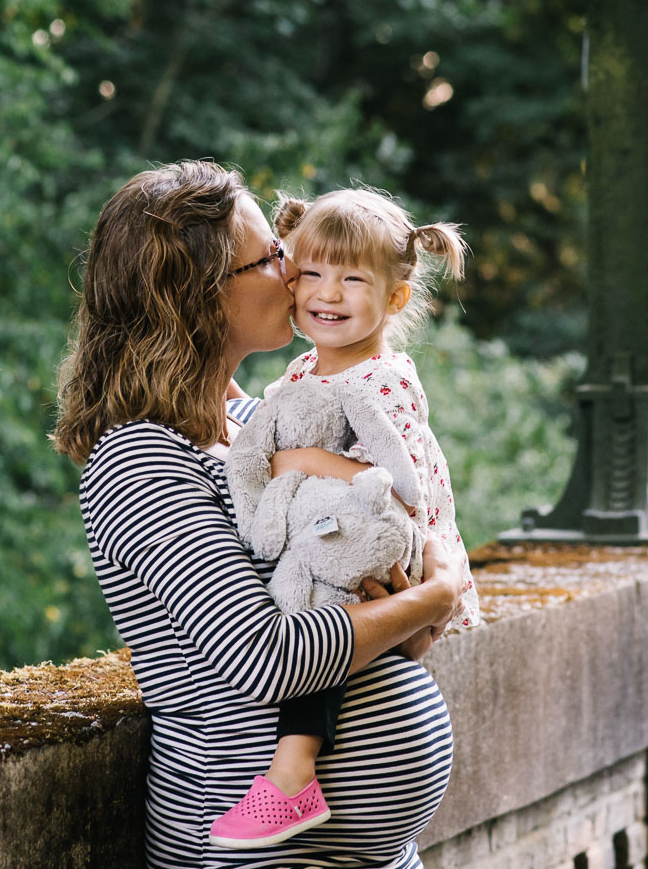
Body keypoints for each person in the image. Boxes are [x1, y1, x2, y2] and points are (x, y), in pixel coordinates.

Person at [54, 161, 466, 868]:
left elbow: (381, 599)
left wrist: (408, 607)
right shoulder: (141, 460)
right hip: (256, 852)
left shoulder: (264, 420)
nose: (297, 267)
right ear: (202, 296)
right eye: (273, 257)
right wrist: (437, 594)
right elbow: (269, 659)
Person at [209, 188, 482, 851]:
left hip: (388, 534)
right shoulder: (309, 367)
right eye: (310, 274)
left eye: (352, 279)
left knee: (317, 609)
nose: (326, 294)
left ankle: (295, 766)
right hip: (352, 534)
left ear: (394, 299)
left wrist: (295, 460)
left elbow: (396, 488)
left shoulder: (382, 379)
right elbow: (266, 417)